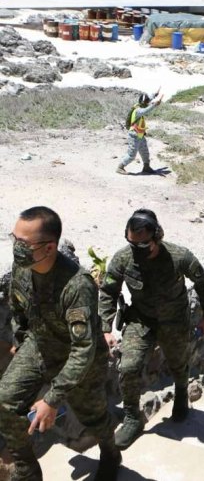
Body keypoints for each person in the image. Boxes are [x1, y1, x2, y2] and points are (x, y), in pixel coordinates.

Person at [0, 206, 121, 481]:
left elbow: (83, 350)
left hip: (80, 360)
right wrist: (21, 340)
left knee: (93, 417)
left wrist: (51, 400)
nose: (16, 248)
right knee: (3, 402)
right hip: (40, 345)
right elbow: (18, 308)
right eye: (13, 238)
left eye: (23, 243)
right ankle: (27, 469)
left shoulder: (77, 285)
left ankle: (111, 452)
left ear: (49, 247)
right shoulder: (23, 267)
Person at [99, 209, 204, 450]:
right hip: (141, 320)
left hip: (174, 321)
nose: (137, 251)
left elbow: (203, 283)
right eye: (132, 244)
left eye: (143, 246)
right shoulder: (124, 258)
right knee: (129, 366)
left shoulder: (179, 256)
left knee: (177, 362)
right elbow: (108, 291)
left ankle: (181, 393)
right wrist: (105, 328)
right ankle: (132, 417)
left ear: (157, 237)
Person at [116, 89, 163, 175]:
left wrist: (155, 94)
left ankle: (146, 167)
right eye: (147, 102)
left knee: (145, 152)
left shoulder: (140, 105)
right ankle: (120, 167)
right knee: (131, 155)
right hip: (134, 135)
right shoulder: (138, 110)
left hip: (140, 135)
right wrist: (154, 105)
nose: (148, 103)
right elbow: (145, 110)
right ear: (144, 102)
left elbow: (147, 100)